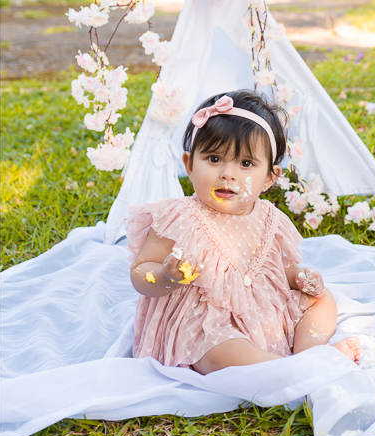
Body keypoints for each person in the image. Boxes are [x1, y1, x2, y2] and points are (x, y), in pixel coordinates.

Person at [127, 90, 362, 374]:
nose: (228, 173)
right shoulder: (179, 217)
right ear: (189, 165)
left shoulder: (270, 218)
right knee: (219, 350)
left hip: (261, 311)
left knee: (322, 300)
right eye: (214, 159)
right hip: (205, 321)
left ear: (269, 178)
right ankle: (290, 370)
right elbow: (141, 272)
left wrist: (298, 276)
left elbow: (280, 269)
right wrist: (166, 275)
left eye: (246, 164)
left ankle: (310, 354)